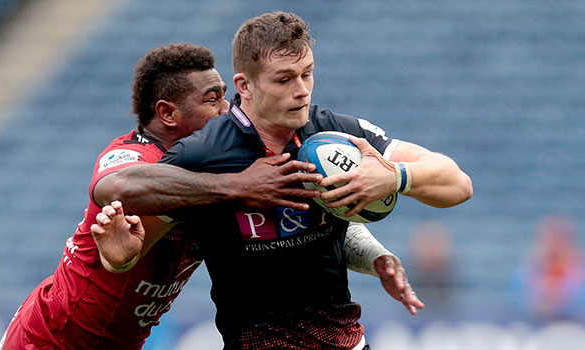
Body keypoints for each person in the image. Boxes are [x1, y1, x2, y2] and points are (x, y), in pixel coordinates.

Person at [0, 42, 418, 350]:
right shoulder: (134, 155)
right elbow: (117, 187)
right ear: (167, 113)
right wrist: (237, 187)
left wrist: (376, 254)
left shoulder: (224, 161)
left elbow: (303, 215)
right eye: (212, 99)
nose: (226, 110)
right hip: (50, 338)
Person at [156, 11, 472, 349]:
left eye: (307, 74)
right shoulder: (203, 153)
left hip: (345, 342)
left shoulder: (336, 136)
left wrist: (396, 177)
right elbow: (138, 219)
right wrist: (123, 256)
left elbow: (458, 184)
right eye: (284, 79)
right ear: (244, 85)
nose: (302, 90)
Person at [509, 215, 585, 323]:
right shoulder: (525, 275)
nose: (554, 245)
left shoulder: (580, 275)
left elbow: (578, 307)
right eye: (550, 238)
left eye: (560, 239)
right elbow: (519, 307)